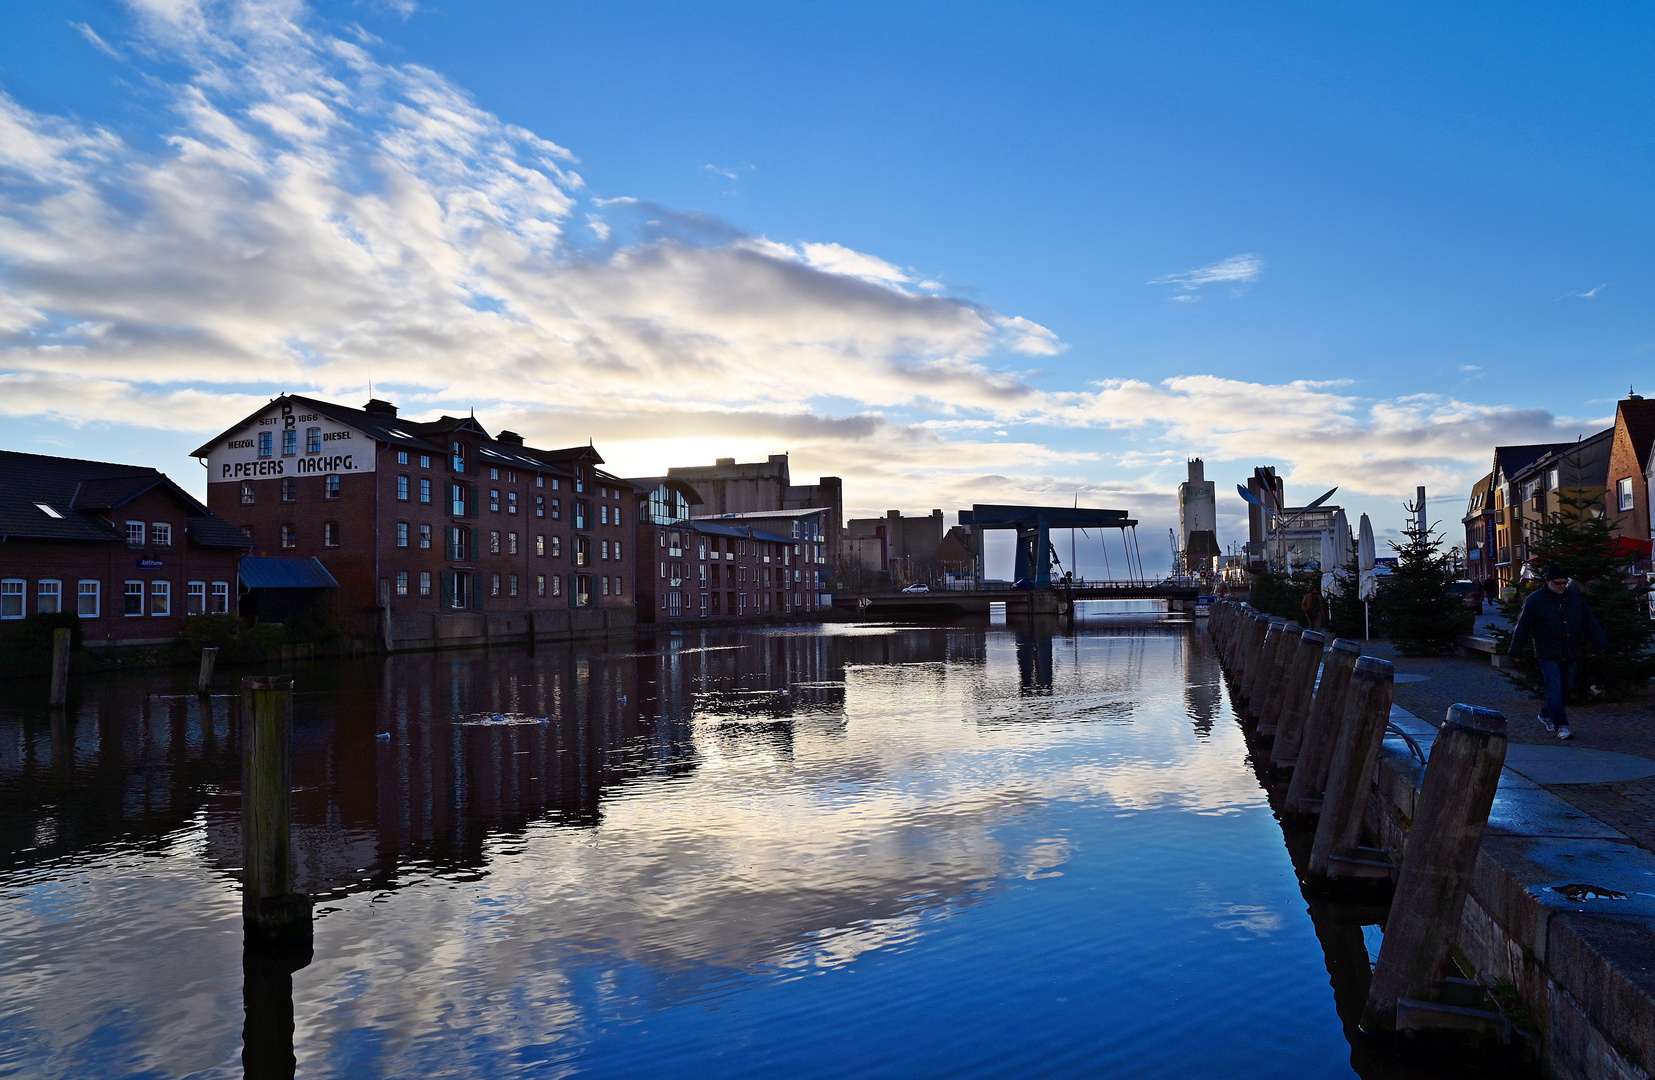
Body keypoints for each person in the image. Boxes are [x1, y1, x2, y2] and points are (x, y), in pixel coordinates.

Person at [1507, 564, 1609, 741]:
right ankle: (1560, 726)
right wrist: (1516, 651)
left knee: (1565, 686)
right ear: (1548, 582)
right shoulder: (1535, 600)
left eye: (1564, 583)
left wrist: (1601, 643)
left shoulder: (1575, 599)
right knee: (1554, 687)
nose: (1562, 586)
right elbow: (1522, 627)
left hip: (1570, 650)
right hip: (1547, 652)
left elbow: (1589, 622)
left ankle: (1546, 714)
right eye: (1558, 583)